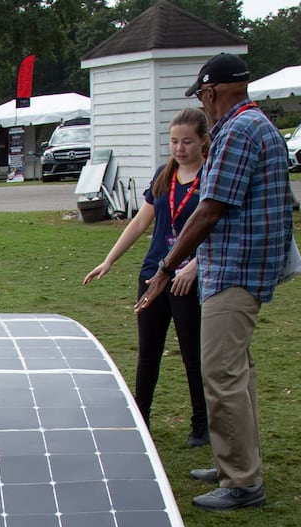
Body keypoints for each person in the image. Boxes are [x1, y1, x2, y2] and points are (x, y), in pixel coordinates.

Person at [137, 53, 294, 512]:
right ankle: (234, 464)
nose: (204, 104)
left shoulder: (239, 130)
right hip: (239, 266)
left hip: (235, 268)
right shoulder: (254, 125)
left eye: (203, 96)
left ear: (212, 92)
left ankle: (242, 482)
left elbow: (209, 210)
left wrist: (166, 268)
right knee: (236, 373)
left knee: (221, 373)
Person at [84, 108, 210, 448]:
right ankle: (141, 417)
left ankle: (202, 423)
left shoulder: (212, 176)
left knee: (192, 352)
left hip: (187, 278)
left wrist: (194, 266)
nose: (180, 149)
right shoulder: (164, 176)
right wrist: (108, 261)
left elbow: (217, 229)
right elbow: (140, 223)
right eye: (173, 141)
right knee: (148, 351)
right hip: (154, 274)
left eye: (187, 141)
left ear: (203, 141)